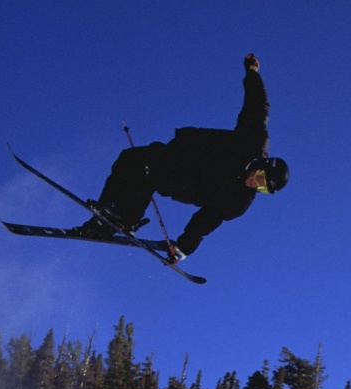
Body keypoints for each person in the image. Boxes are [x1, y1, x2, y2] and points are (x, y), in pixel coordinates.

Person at [88, 54, 289, 262]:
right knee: (129, 159)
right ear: (261, 164)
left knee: (147, 171)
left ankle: (124, 218)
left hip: (185, 181)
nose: (255, 184)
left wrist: (184, 247)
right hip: (184, 151)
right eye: (260, 177)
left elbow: (206, 221)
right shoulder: (253, 141)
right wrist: (252, 73)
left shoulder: (238, 201)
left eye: (262, 188)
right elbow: (258, 105)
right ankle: (104, 218)